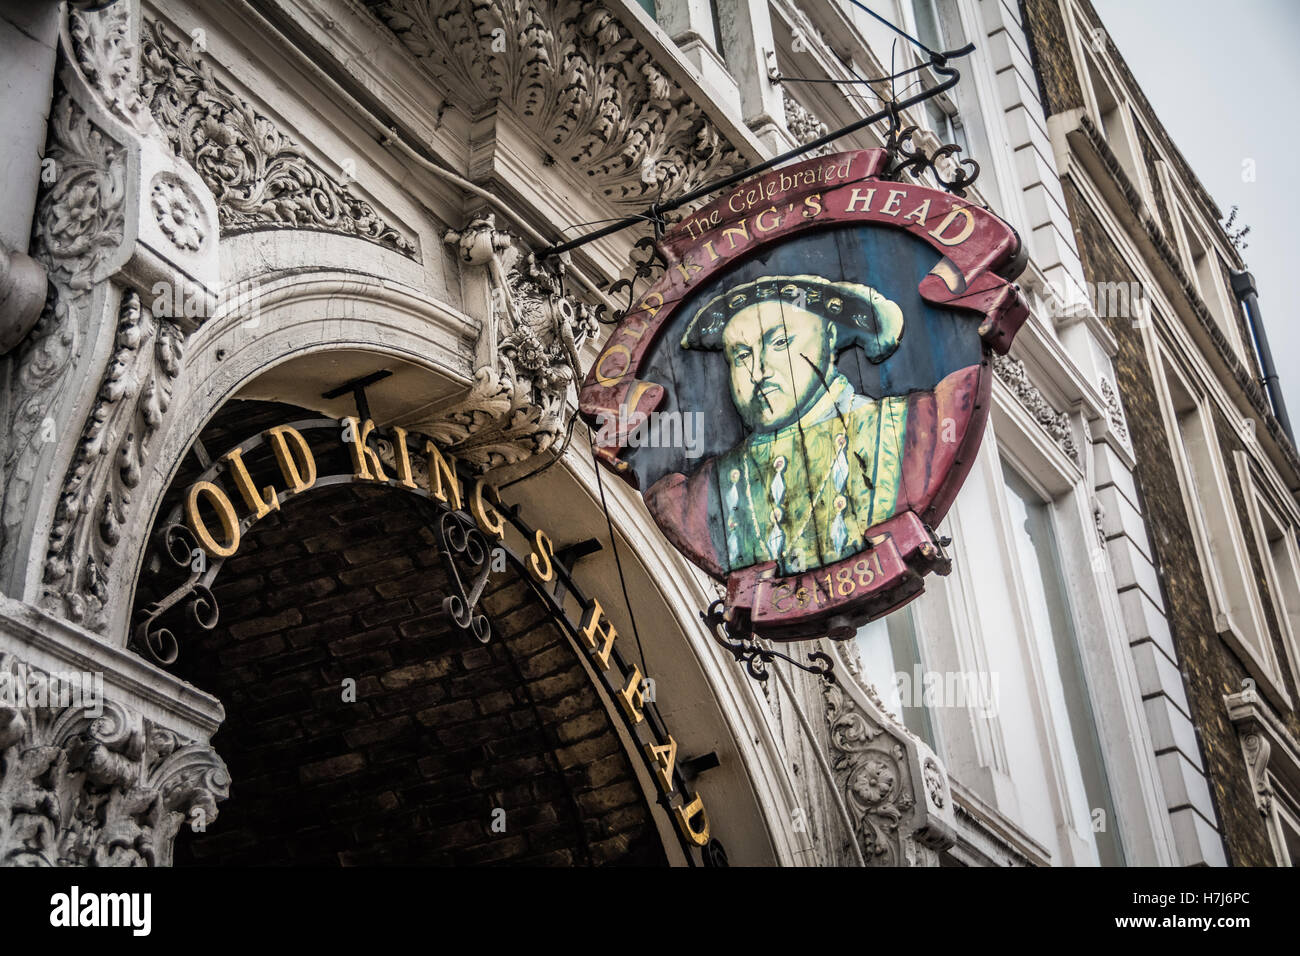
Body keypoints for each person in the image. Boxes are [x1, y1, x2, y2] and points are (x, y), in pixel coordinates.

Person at [650, 274, 910, 576]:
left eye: (780, 342)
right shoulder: (694, 498)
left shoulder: (909, 428)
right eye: (742, 354)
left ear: (829, 339)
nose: (758, 371)